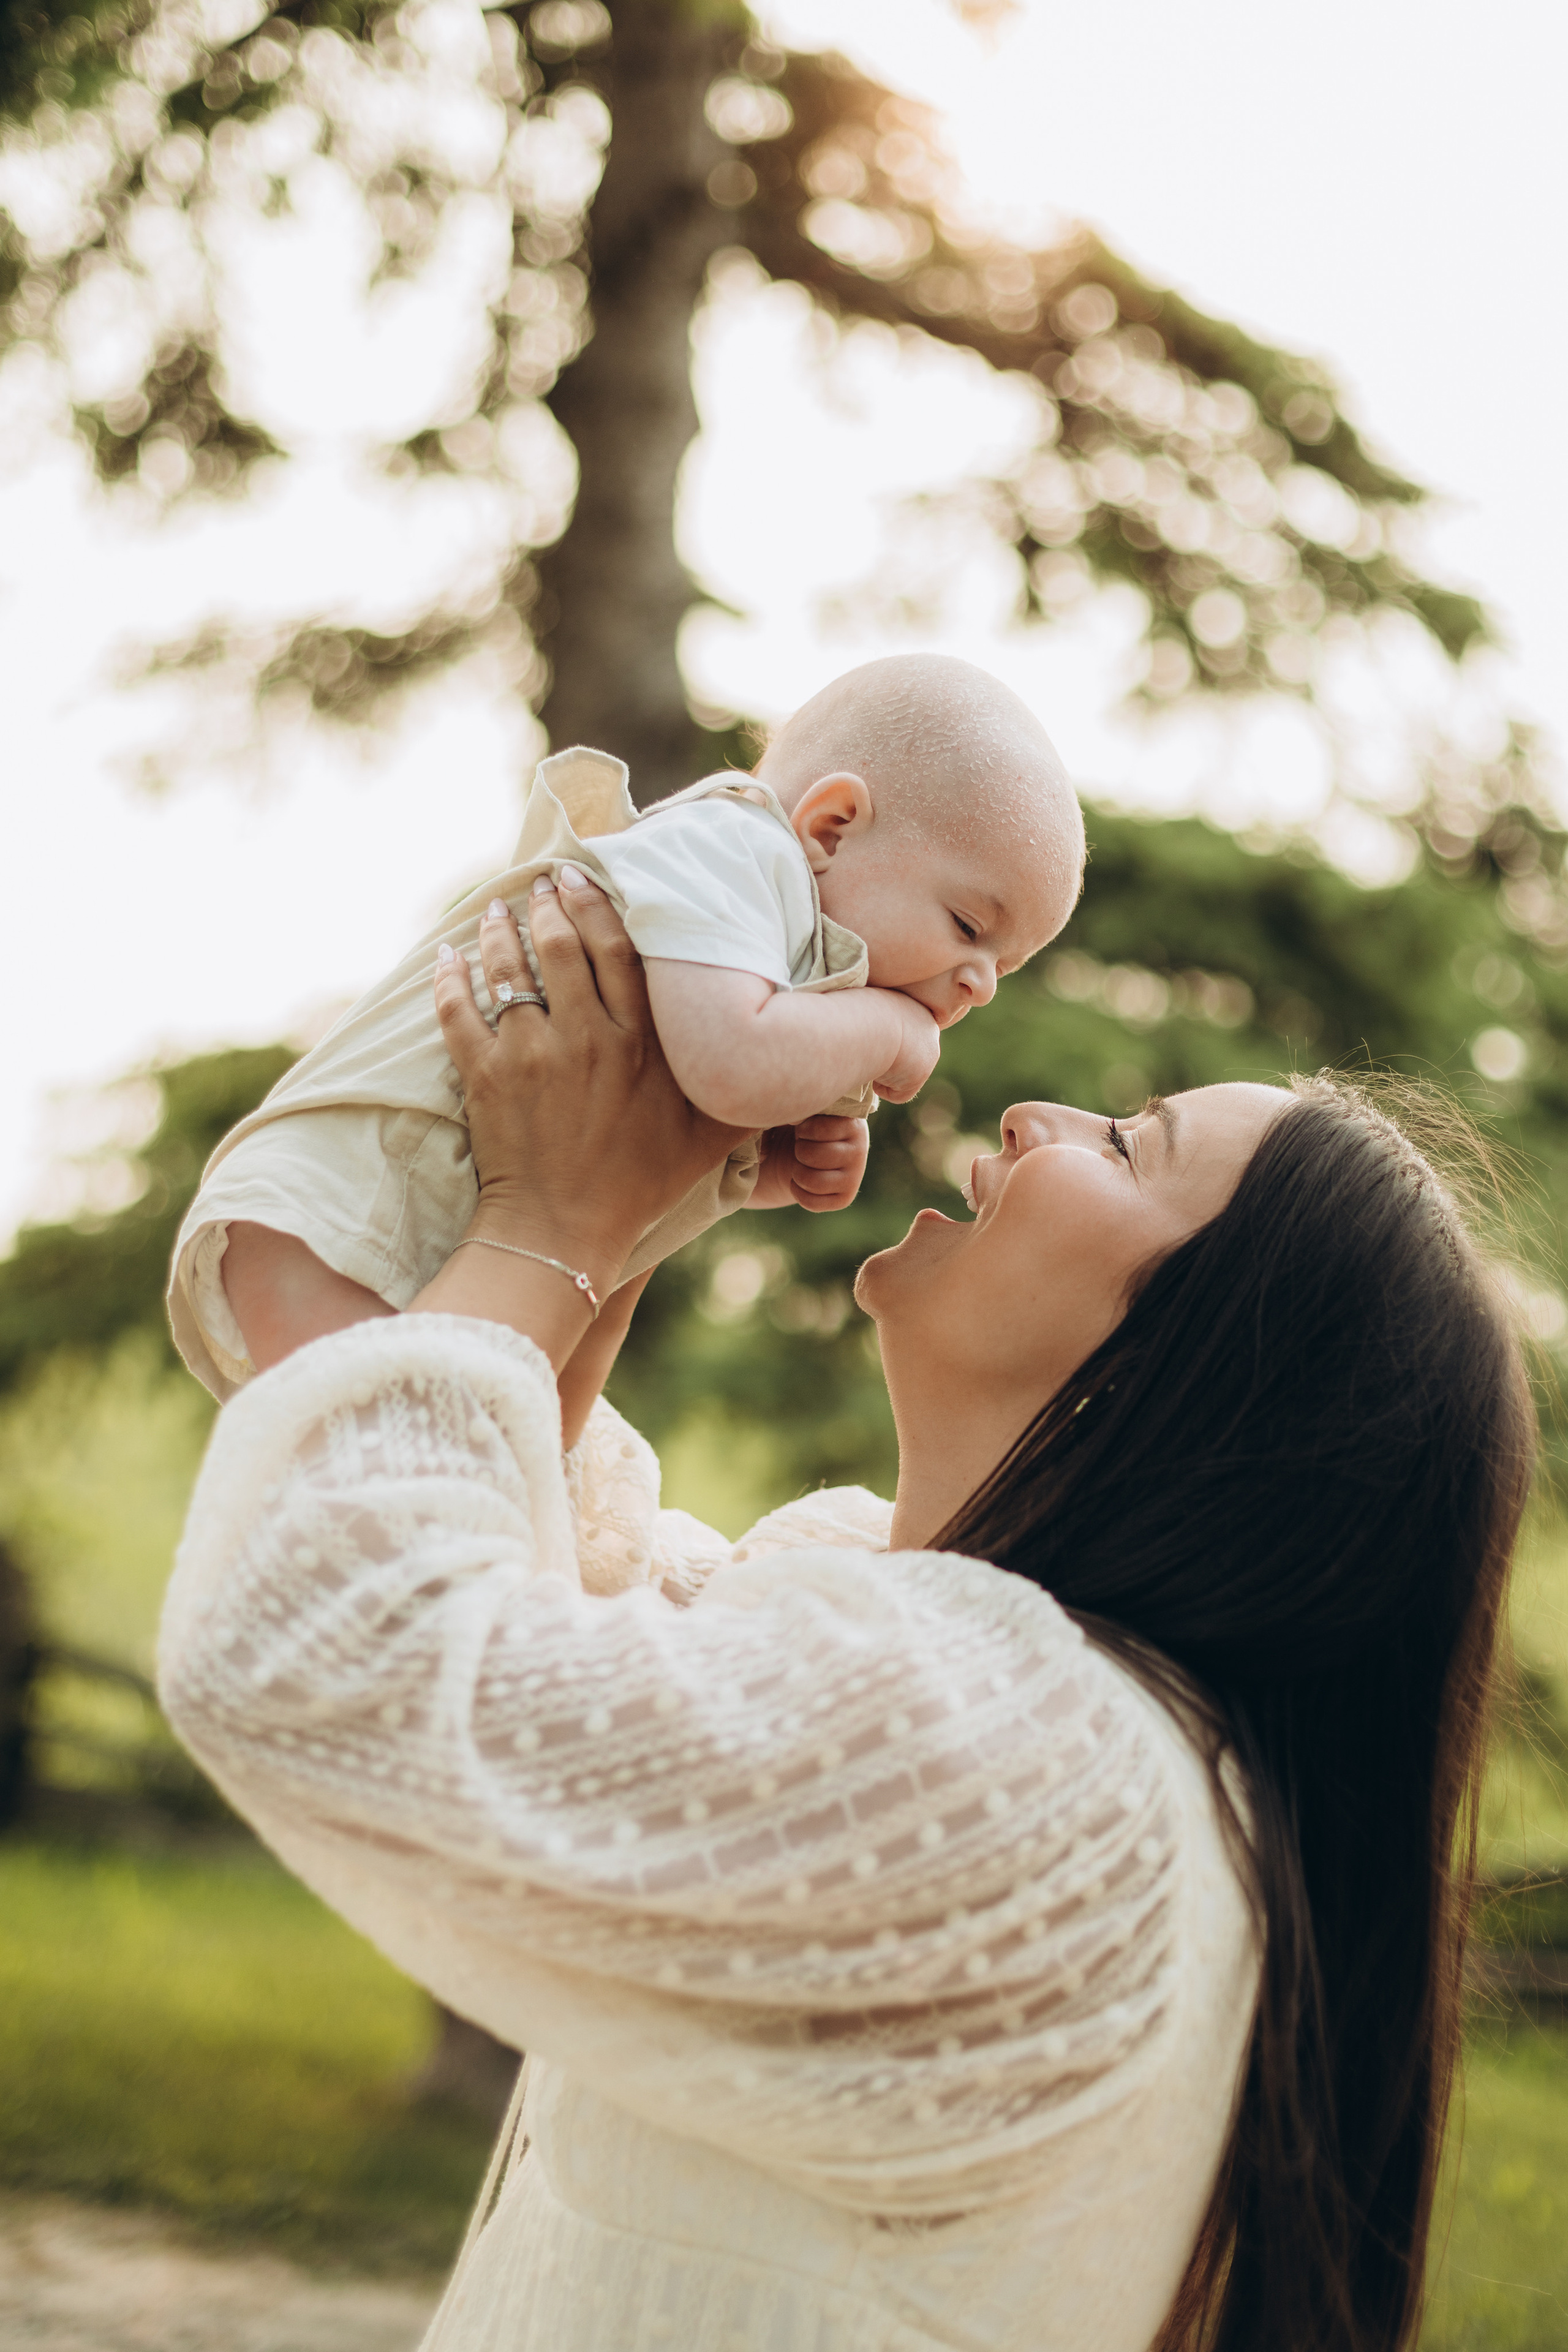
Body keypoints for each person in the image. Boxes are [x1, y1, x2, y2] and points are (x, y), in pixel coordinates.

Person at [159, 875, 1532, 2352]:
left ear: (1207, 1386)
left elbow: (338, 1651)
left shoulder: (1047, 1767)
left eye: (1129, 1147)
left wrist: (553, 1221)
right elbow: (556, 1594)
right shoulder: (975, 1672)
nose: (1034, 1120)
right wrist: (606, 1233)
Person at [167, 654, 1085, 1401]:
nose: (980, 983)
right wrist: (888, 1033)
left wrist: (757, 1169)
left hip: (427, 1211)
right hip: (352, 1196)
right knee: (382, 1482)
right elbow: (728, 1066)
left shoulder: (774, 949)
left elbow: (663, 1131)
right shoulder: (734, 850)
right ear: (833, 828)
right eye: (970, 928)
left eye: (1005, 967)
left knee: (478, 1486)